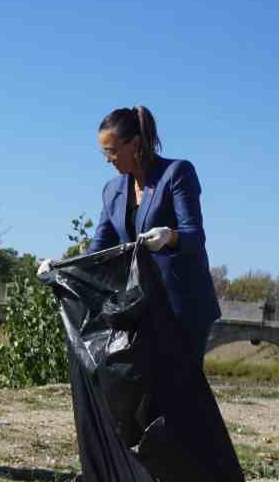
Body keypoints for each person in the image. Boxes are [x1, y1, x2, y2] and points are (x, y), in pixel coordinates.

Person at [44, 106, 220, 362]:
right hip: (140, 307)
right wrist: (59, 267)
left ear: (134, 144)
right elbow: (98, 252)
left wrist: (169, 236)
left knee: (181, 394)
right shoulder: (112, 191)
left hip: (183, 307)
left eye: (111, 151)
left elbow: (195, 236)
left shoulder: (177, 174)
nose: (108, 159)